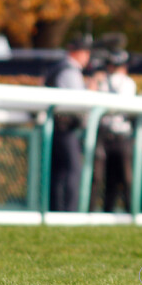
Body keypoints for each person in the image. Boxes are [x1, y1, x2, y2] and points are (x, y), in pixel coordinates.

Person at [44, 35, 93, 212]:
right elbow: (78, 102)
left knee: (58, 172)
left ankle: (55, 211)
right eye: (86, 52)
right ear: (78, 52)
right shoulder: (70, 71)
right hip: (65, 128)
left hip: (55, 127)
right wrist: (91, 91)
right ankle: (68, 212)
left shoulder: (56, 68)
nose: (88, 56)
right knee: (72, 170)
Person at [99, 49, 137, 212]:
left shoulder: (127, 83)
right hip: (105, 135)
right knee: (104, 178)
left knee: (125, 178)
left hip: (121, 136)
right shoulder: (103, 82)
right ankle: (104, 211)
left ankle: (130, 212)